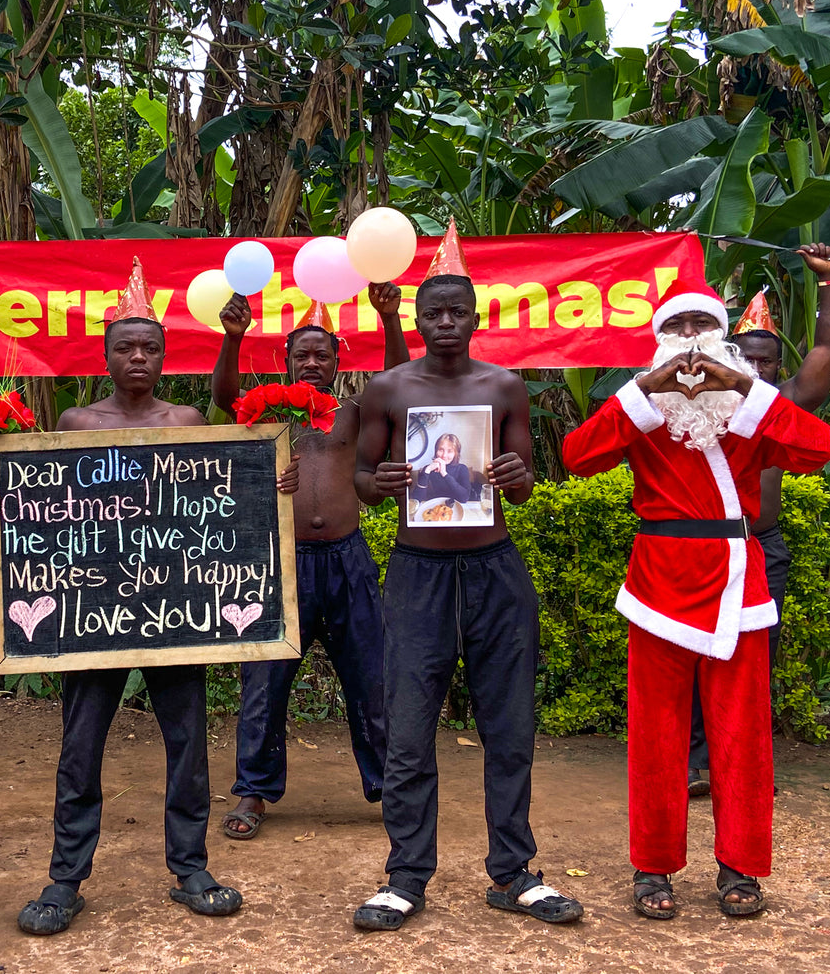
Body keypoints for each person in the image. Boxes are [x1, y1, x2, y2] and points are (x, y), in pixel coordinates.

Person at [0, 259, 297, 937]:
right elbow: (46, 507)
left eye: (149, 347)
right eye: (125, 347)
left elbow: (226, 494)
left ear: (163, 353)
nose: (137, 357)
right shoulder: (75, 421)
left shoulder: (185, 420)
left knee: (186, 742)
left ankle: (189, 867)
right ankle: (66, 876)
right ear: (106, 354)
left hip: (175, 610)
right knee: (80, 745)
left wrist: (274, 487)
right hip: (91, 614)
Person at [561, 276, 830, 921]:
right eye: (678, 328)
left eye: (701, 329)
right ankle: (651, 866)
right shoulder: (644, 412)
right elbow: (576, 458)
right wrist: (644, 390)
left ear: (723, 341)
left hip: (739, 580)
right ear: (659, 342)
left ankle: (739, 867)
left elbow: (819, 449)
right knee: (655, 735)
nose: (690, 341)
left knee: (743, 735)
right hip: (658, 579)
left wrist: (743, 386)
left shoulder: (751, 411)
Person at [350, 227, 583, 931]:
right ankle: (404, 877)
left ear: (475, 317)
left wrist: (518, 474)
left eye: (457, 311)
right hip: (417, 573)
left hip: (492, 572)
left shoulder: (502, 386)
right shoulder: (386, 390)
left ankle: (512, 873)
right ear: (417, 320)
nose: (445, 322)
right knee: (408, 734)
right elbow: (362, 480)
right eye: (433, 312)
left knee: (508, 728)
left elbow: (522, 487)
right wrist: (379, 480)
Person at [211, 284, 407, 840]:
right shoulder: (267, 410)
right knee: (264, 679)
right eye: (303, 354)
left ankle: (387, 787)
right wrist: (233, 337)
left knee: (371, 677)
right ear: (287, 360)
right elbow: (224, 393)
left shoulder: (354, 412)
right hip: (281, 563)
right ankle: (253, 789)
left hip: (348, 559)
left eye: (323, 354)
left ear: (338, 361)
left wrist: (390, 320)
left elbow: (397, 385)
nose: (313, 362)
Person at [686, 244, 830, 796]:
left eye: (766, 360)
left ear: (778, 365)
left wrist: (827, 284)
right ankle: (687, 765)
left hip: (760, 547)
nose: (754, 368)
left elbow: (827, 347)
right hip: (700, 547)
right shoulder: (699, 401)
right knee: (691, 653)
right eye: (744, 357)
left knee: (753, 660)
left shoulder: (783, 403)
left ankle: (740, 766)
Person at [411, 433, 474, 504]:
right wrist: (427, 471)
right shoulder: (428, 469)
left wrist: (444, 474)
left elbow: (464, 498)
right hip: (434, 509)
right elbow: (416, 500)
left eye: (449, 451)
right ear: (436, 451)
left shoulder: (462, 469)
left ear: (456, 454)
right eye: (441, 450)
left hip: (456, 508)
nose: (444, 455)